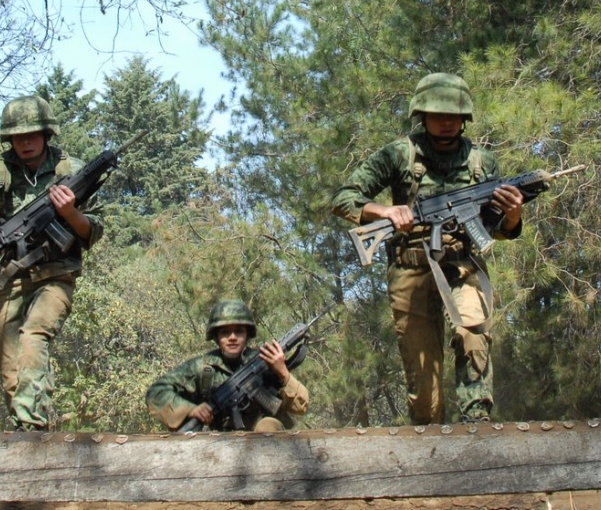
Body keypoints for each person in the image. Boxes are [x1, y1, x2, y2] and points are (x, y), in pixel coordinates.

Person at [330, 73, 524, 425]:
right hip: (411, 269)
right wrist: (385, 211)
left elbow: (497, 229)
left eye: (454, 116)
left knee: (473, 336)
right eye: (438, 115)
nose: (447, 122)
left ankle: (477, 429)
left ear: (465, 118)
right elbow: (344, 198)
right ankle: (432, 456)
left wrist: (512, 215)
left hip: (463, 266)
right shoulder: (398, 154)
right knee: (424, 389)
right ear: (422, 115)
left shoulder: (483, 163)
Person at [0, 95, 103, 431]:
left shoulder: (72, 171)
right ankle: (29, 429)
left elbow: (93, 229)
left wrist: (70, 213)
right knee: (11, 368)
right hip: (11, 276)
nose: (24, 142)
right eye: (17, 136)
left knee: (34, 336)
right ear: (8, 139)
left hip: (57, 276)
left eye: (31, 134)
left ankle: (32, 425)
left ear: (46, 134)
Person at [145, 299, 309, 432]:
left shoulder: (265, 360)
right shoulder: (203, 367)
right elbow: (156, 392)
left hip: (268, 443)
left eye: (239, 331)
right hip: (223, 443)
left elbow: (301, 407)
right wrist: (190, 410)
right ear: (216, 337)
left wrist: (282, 372)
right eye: (225, 332)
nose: (232, 337)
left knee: (266, 426)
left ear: (247, 335)